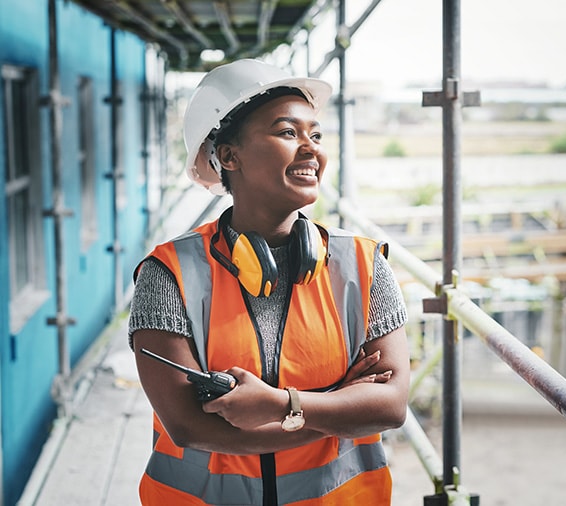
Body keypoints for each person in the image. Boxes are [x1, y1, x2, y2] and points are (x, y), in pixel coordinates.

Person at [129, 58, 410, 505]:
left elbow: (390, 407)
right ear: (229, 155)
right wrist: (338, 405)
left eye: (315, 134)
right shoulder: (168, 275)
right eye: (287, 132)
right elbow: (188, 426)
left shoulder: (363, 265)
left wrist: (281, 405)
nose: (310, 148)